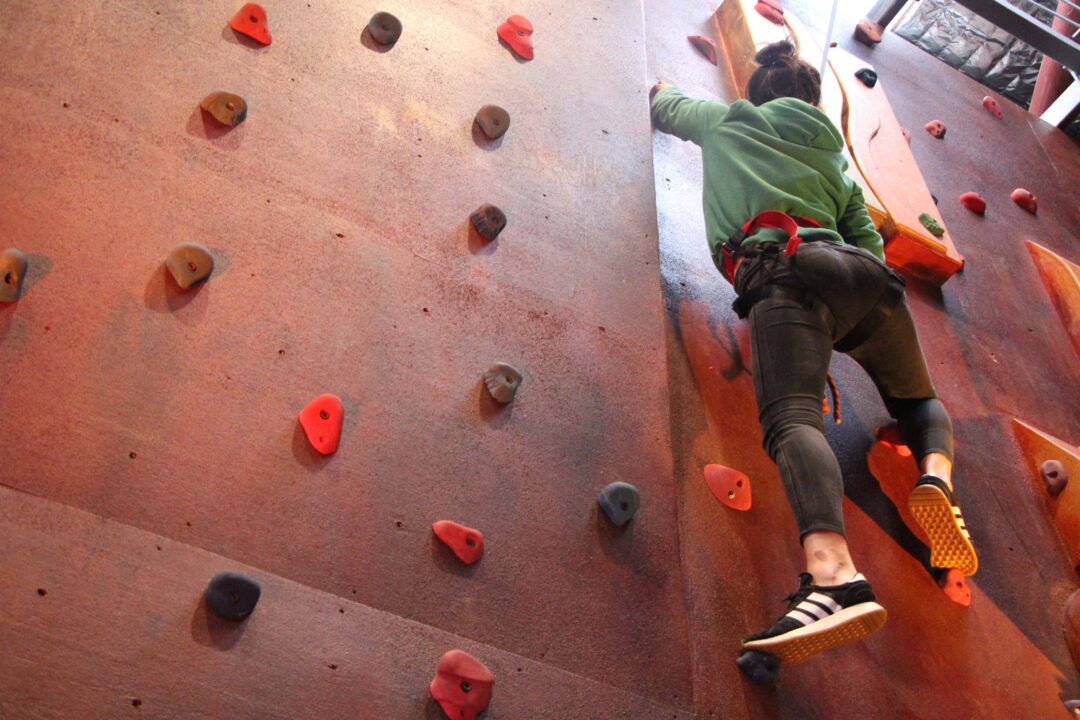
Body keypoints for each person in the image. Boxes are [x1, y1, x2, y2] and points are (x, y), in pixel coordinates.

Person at [650, 41, 978, 666]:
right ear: (813, 102)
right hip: (867, 284)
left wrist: (661, 89)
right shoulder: (835, 158)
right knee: (918, 400)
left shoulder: (730, 120)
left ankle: (833, 578)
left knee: (792, 418)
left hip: (785, 270)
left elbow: (667, 106)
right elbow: (867, 241)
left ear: (759, 94)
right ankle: (935, 473)